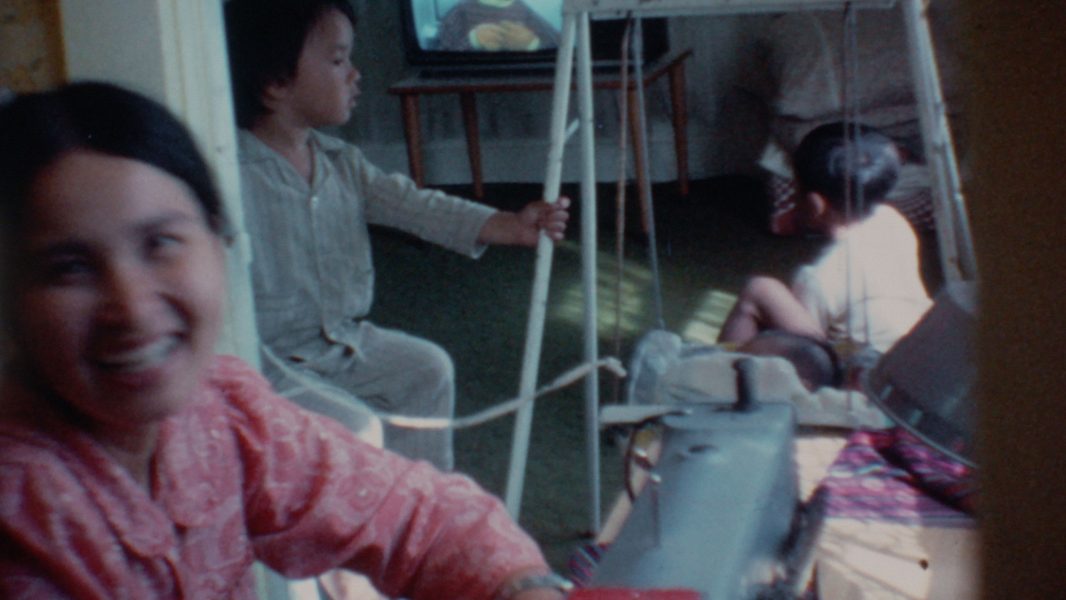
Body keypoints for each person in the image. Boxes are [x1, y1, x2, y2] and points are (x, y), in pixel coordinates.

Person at [0, 81, 573, 600]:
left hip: (347, 340)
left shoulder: (222, 414)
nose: (130, 307)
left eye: (161, 244)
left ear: (218, 241)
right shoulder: (22, 507)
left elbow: (419, 517)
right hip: (292, 357)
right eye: (69, 268)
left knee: (426, 369)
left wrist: (518, 586)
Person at [224, 0, 570, 471]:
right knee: (353, 427)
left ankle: (424, 502)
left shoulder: (340, 162)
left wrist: (506, 224)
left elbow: (414, 205)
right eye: (338, 60)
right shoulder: (231, 174)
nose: (354, 73)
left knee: (428, 369)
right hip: (272, 364)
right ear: (275, 82)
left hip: (343, 344)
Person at [717, 122, 933, 355]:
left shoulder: (818, 278)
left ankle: (722, 372)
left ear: (814, 205)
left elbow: (806, 352)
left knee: (758, 290)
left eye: (795, 190)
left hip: (866, 375)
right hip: (919, 349)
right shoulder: (894, 222)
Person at [437, 0, 561, 52]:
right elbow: (443, 48)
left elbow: (559, 44)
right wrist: (474, 40)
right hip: (468, 78)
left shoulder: (524, 11)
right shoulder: (461, 11)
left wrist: (531, 43)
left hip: (519, 78)